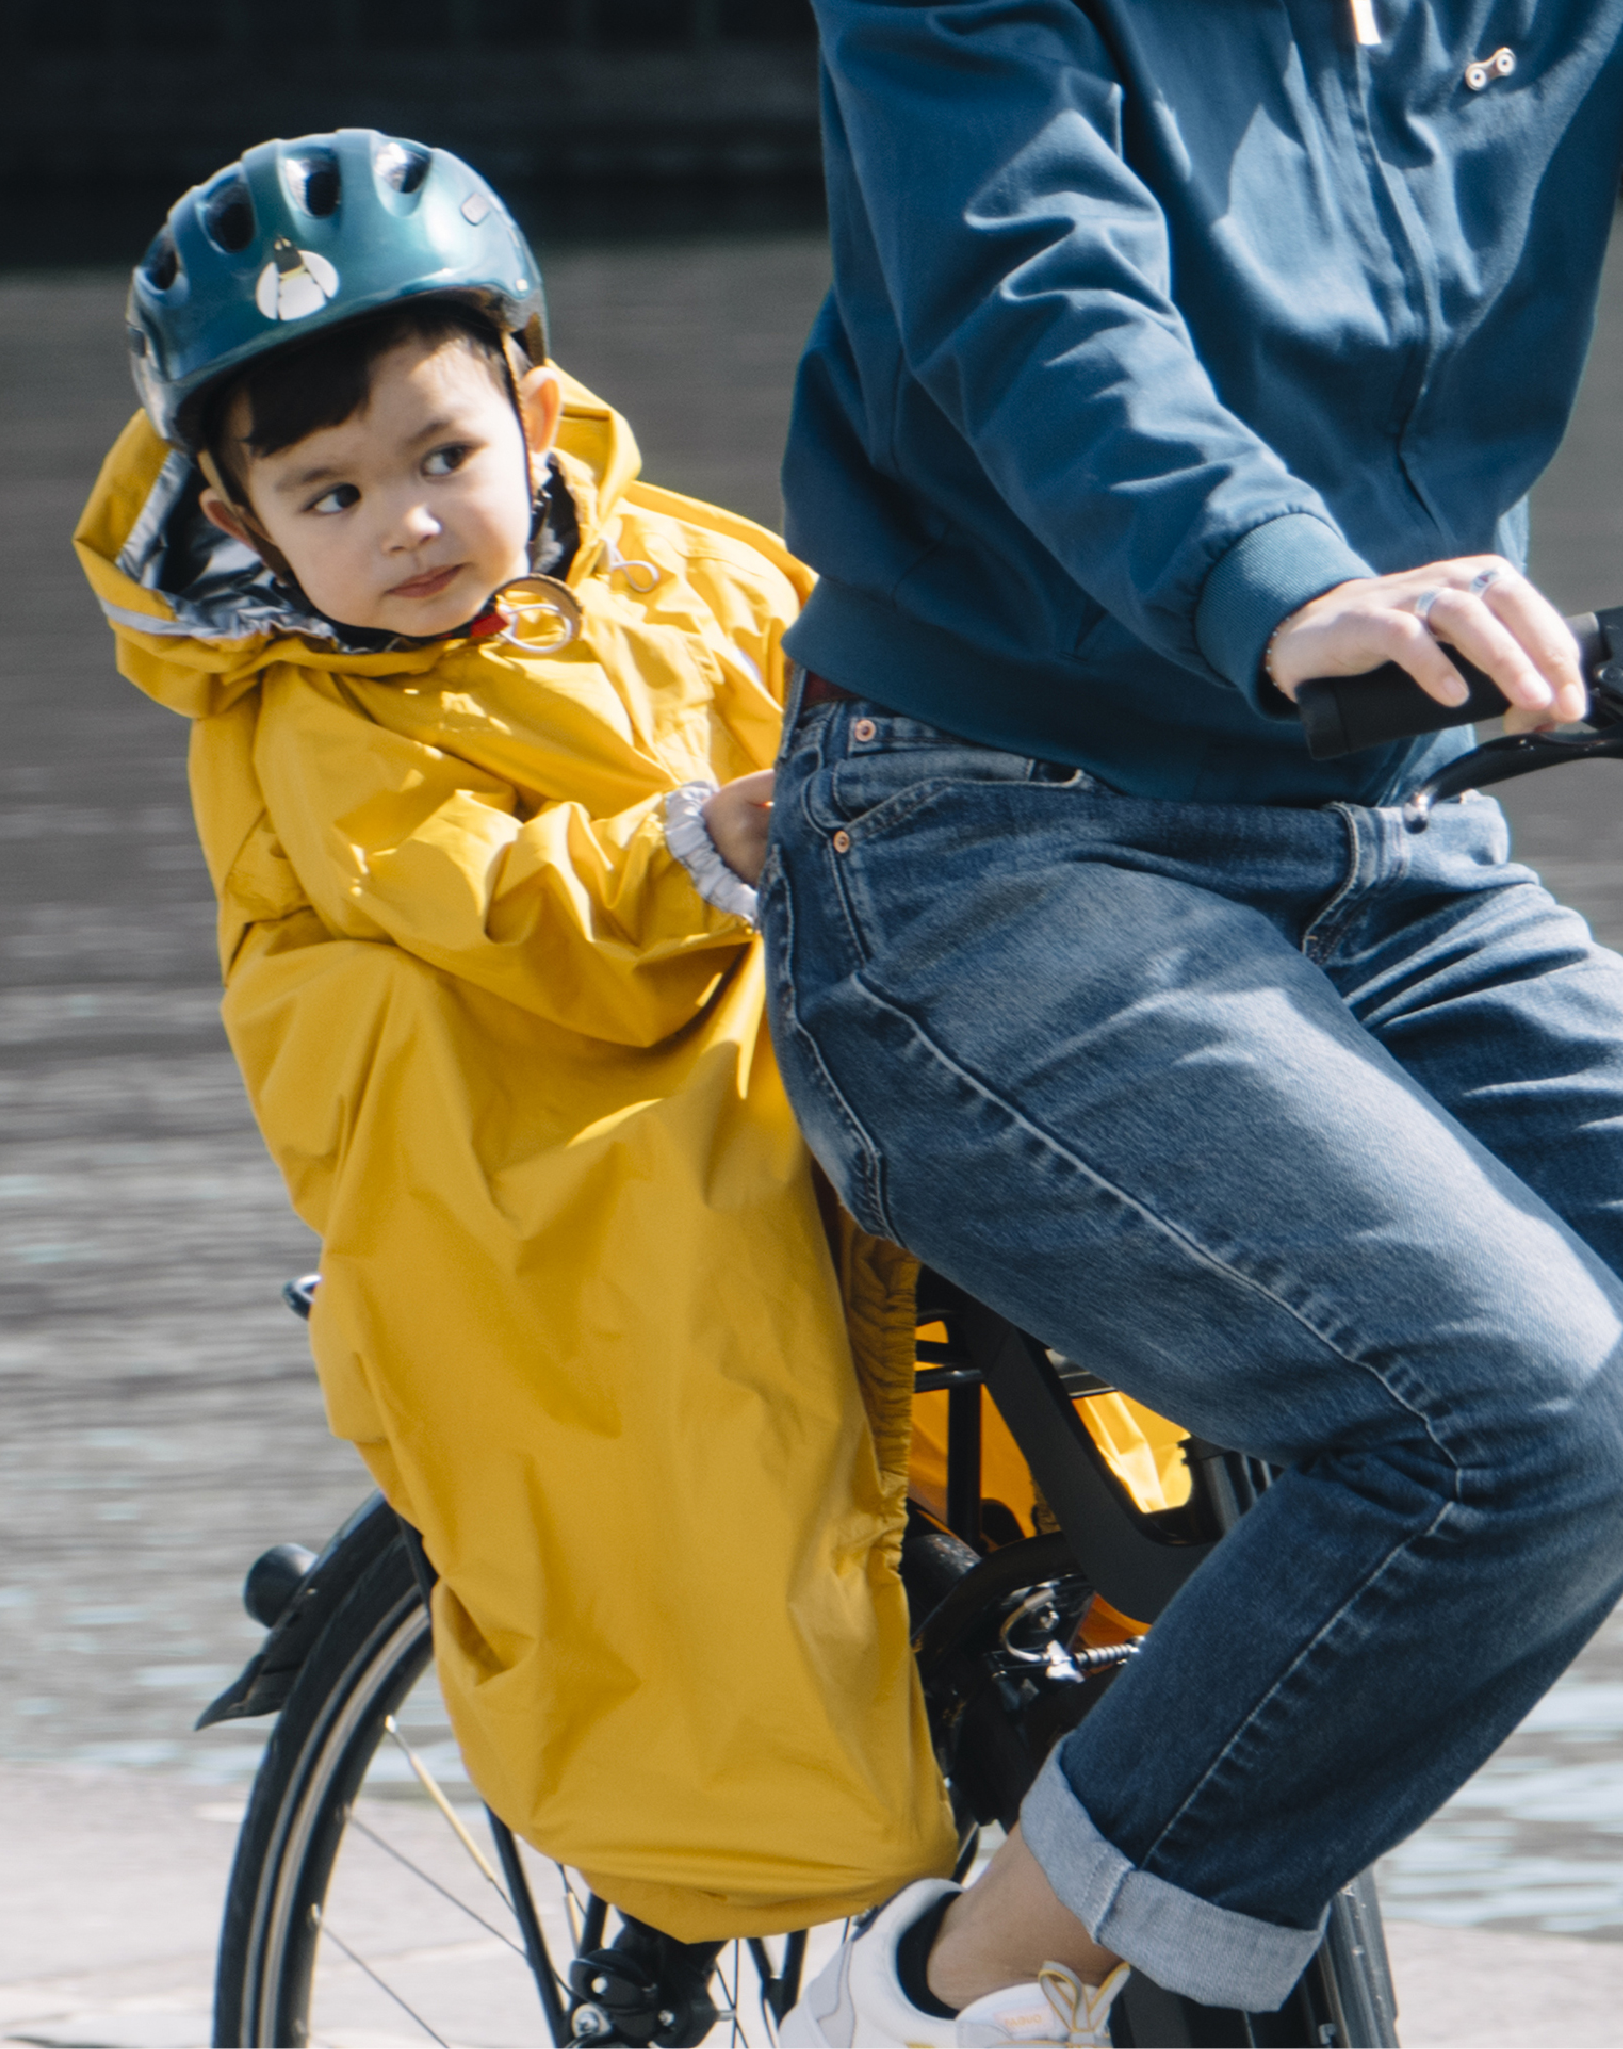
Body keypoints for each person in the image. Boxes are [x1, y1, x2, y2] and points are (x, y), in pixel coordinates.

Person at [763, 4, 1623, 2045]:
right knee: (1548, 1425)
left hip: (1392, 843)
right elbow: (1032, 298)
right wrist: (1275, 580)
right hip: (978, 839)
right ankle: (949, 1993)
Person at [72, 129, 972, 1943]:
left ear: (538, 414)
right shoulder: (306, 726)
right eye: (326, 498)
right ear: (240, 524)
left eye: (442, 457)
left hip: (820, 1048)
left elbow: (874, 690)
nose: (402, 524)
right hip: (574, 1132)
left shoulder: (693, 569)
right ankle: (860, 1891)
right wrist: (695, 844)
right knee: (712, 1445)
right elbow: (492, 908)